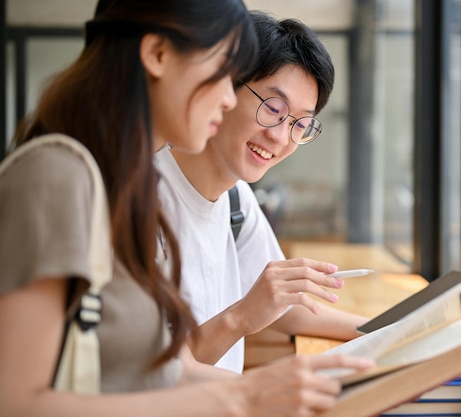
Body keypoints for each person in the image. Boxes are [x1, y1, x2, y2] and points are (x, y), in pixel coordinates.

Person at [0, 1, 373, 416]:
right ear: (158, 55)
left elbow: (164, 372)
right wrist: (246, 395)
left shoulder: (124, 185)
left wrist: (273, 390)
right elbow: (16, 403)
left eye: (299, 124)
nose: (228, 97)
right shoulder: (59, 175)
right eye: (222, 72)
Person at [154, 10, 369, 372]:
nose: (281, 137)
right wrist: (240, 317)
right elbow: (157, 376)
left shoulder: (237, 199)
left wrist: (391, 330)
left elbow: (284, 306)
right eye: (273, 108)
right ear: (224, 90)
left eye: (301, 124)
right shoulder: (139, 200)